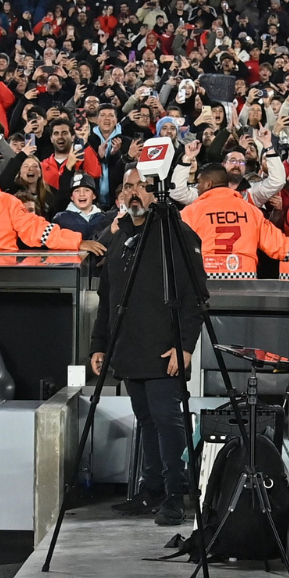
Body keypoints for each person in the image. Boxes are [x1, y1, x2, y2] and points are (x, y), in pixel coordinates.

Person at [89, 169, 206, 527]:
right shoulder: (119, 236)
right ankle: (150, 490)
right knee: (147, 422)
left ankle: (175, 496)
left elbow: (196, 295)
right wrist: (99, 344)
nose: (135, 192)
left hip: (162, 351)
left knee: (168, 423)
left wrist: (184, 347)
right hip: (127, 350)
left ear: (156, 193)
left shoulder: (177, 233)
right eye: (128, 186)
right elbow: (107, 298)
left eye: (142, 186)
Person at [181, 163, 289, 278]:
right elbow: (280, 246)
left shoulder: (191, 212)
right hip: (244, 279)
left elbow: (175, 247)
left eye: (199, 183)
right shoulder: (250, 210)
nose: (197, 187)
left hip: (207, 278)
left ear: (208, 184)